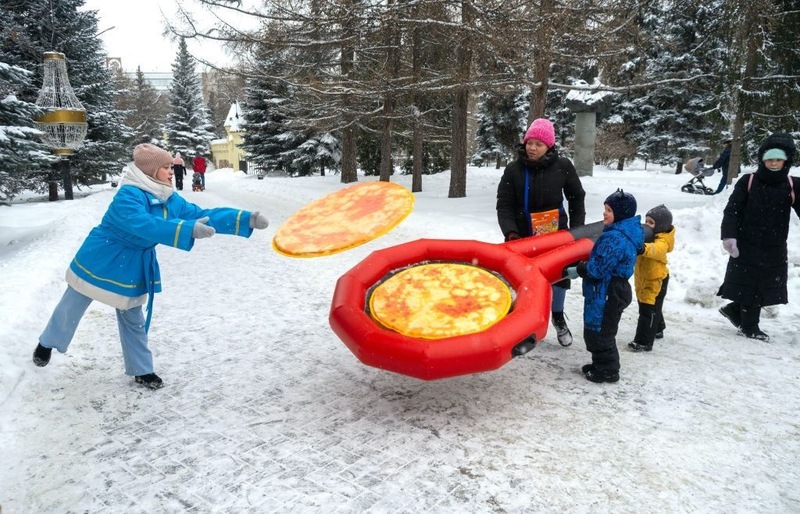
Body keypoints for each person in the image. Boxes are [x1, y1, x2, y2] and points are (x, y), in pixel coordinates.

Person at [31, 144, 270, 389]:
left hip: (134, 262)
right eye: (166, 167)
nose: (171, 171)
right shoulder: (128, 195)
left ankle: (141, 369)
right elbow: (142, 224)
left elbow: (201, 213)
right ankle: (47, 343)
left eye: (170, 166)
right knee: (72, 305)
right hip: (102, 256)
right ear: (150, 170)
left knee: (132, 317)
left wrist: (243, 218)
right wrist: (186, 230)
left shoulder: (168, 196)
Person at [496, 118, 586, 347]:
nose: (532, 147)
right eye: (530, 142)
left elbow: (577, 196)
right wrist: (511, 232)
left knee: (559, 275)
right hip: (522, 236)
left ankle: (557, 316)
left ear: (549, 146)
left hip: (556, 234)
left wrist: (577, 230)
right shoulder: (514, 169)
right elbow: (504, 204)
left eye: (539, 144)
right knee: (522, 277)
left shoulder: (563, 166)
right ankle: (523, 323)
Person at [717, 132, 800, 342]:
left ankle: (735, 310)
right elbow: (732, 210)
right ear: (762, 159)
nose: (773, 163)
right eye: (770, 159)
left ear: (786, 161)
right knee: (751, 284)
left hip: (774, 245)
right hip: (747, 244)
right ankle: (749, 327)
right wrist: (729, 237)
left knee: (768, 285)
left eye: (778, 159)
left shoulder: (792, 185)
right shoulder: (749, 181)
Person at [565, 190, 643, 383]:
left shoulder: (614, 238)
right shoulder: (621, 234)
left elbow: (598, 269)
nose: (604, 213)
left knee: (600, 331)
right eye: (604, 209)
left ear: (621, 214)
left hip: (607, 291)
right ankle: (600, 363)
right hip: (608, 289)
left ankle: (608, 370)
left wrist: (581, 268)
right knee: (598, 328)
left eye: (609, 210)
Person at [629, 204, 675, 352]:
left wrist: (643, 248)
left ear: (660, 226)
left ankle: (643, 341)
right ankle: (658, 328)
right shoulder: (647, 236)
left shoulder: (662, 241)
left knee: (647, 310)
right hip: (644, 278)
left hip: (656, 280)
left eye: (651, 223)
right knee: (652, 307)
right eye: (646, 221)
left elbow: (657, 249)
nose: (647, 225)